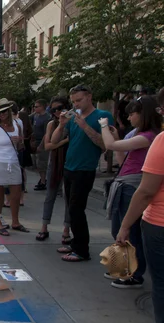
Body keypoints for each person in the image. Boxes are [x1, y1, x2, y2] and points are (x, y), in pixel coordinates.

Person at [102, 96, 161, 288]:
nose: (129, 118)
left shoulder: (149, 137)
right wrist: (116, 137)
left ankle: (134, 274)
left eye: (132, 114)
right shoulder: (140, 135)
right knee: (119, 230)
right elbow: (122, 158)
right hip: (125, 183)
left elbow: (111, 146)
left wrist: (103, 126)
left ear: (143, 114)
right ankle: (123, 269)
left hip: (133, 186)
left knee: (130, 233)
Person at [115, 129, 164, 323]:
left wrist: (125, 225)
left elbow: (145, 191)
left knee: (162, 284)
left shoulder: (160, 140)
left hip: (160, 224)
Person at [51, 85, 114, 262]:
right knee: (71, 208)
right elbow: (54, 141)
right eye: (73, 101)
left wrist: (85, 126)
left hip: (85, 169)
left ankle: (81, 249)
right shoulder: (73, 118)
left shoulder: (103, 116)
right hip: (69, 167)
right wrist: (61, 125)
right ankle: (75, 242)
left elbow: (105, 145)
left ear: (89, 97)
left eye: (79, 100)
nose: (76, 104)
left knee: (77, 209)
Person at [0, 99, 28, 236]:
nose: (2, 114)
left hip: (13, 163)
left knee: (15, 194)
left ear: (9, 111)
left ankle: (15, 222)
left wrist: (20, 141)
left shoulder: (17, 125)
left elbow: (21, 147)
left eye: (4, 111)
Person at [36, 97, 72, 244]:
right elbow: (48, 146)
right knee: (50, 195)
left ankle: (66, 230)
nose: (57, 112)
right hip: (55, 163)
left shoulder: (74, 121)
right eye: (54, 109)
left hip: (70, 162)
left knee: (68, 198)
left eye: (60, 108)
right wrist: (65, 140)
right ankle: (44, 227)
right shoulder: (52, 124)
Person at [32, 99, 51, 190]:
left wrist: (41, 145)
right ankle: (42, 179)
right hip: (36, 141)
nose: (34, 108)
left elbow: (46, 133)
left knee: (42, 163)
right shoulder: (36, 116)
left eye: (37, 106)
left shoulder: (47, 117)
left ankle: (44, 181)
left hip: (42, 143)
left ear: (42, 107)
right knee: (38, 164)